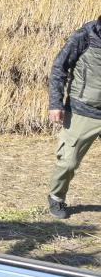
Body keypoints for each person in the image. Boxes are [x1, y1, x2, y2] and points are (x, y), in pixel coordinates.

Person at [46, 15, 101, 220]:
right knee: (68, 162)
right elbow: (59, 67)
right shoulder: (86, 35)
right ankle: (56, 197)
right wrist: (55, 104)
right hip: (83, 110)